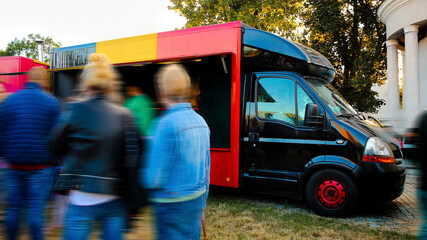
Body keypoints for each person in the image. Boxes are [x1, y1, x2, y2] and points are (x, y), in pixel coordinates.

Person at [49, 53, 139, 240]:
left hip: (81, 198)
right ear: (110, 82)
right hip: (114, 197)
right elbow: (132, 158)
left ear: (85, 82)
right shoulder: (125, 114)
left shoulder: (75, 110)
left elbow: (53, 147)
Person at [141, 64, 211, 240]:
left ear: (162, 91)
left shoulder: (164, 124)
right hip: (195, 201)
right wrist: (202, 206)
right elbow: (206, 171)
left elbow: (153, 178)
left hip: (170, 204)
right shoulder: (202, 122)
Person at [0, 66, 60, 240]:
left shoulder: (10, 101)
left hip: (14, 165)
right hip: (40, 167)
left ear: (28, 79)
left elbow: (1, 132)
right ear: (44, 81)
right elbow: (57, 135)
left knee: (14, 208)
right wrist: (53, 159)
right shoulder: (51, 102)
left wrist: (6, 155)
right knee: (36, 211)